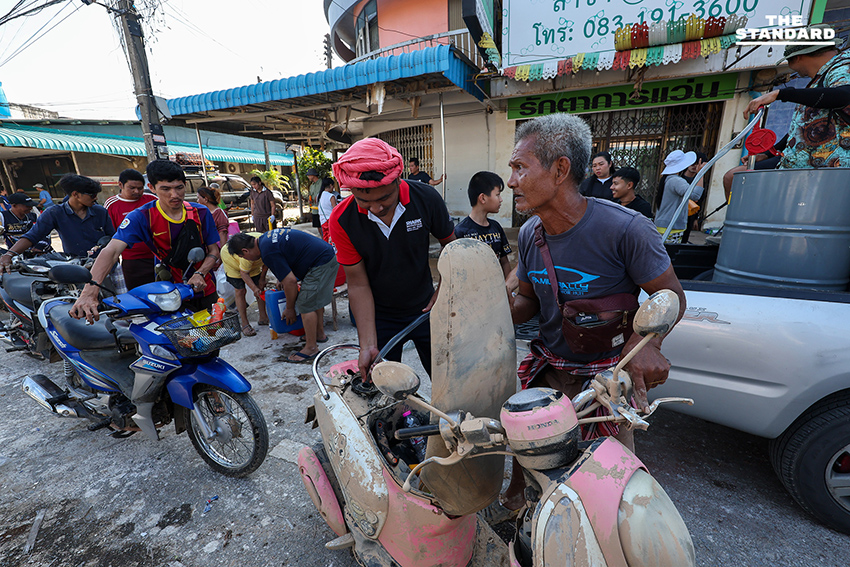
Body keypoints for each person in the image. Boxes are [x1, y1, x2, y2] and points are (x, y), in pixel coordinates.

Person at [502, 113, 686, 518]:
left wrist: (648, 344)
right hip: (550, 368)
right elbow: (529, 303)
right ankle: (523, 513)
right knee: (532, 464)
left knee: (615, 491)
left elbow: (671, 296)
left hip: (607, 380)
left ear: (560, 169)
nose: (511, 181)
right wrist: (486, 311)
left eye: (519, 168)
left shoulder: (626, 229)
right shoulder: (531, 235)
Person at [330, 138, 455, 379]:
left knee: (446, 379)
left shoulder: (426, 198)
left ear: (398, 180)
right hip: (379, 315)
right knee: (384, 386)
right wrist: (367, 344)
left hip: (427, 307)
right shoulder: (341, 219)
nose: (375, 208)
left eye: (384, 198)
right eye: (364, 201)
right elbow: (357, 283)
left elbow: (452, 247)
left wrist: (445, 287)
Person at [69, 160, 221, 322]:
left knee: (210, 338)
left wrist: (200, 273)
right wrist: (88, 293)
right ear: (153, 188)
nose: (174, 195)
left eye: (179, 188)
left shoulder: (201, 212)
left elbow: (213, 251)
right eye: (166, 189)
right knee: (177, 341)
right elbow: (111, 251)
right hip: (167, 293)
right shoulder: (141, 216)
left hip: (205, 289)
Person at [723, 25, 850, 196]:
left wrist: (781, 93)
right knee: (733, 178)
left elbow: (843, 95)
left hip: (828, 170)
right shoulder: (820, 77)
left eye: (790, 60)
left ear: (798, 57)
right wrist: (768, 152)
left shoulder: (842, 67)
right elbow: (804, 128)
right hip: (801, 164)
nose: (791, 67)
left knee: (736, 179)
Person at [228, 229, 337, 362]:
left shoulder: (268, 251)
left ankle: (311, 348)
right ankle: (319, 334)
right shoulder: (264, 240)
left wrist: (290, 308)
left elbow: (290, 282)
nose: (245, 259)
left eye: (242, 256)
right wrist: (282, 277)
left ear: (245, 251)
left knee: (305, 303)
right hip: (323, 255)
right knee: (311, 298)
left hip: (321, 262)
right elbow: (286, 255)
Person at [0, 174, 114, 272]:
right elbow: (33, 235)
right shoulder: (55, 213)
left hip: (106, 266)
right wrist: (9, 254)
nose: (96, 198)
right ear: (76, 194)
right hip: (77, 269)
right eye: (92, 195)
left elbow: (113, 238)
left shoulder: (100, 212)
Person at [104, 168, 158, 290]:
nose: (137, 191)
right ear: (120, 185)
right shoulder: (111, 204)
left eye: (140, 188)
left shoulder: (152, 199)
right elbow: (111, 233)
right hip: (132, 261)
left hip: (157, 256)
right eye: (132, 188)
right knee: (137, 293)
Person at [453, 171, 512, 279]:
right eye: (498, 195)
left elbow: (505, 263)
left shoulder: (496, 227)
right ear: (483, 198)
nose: (501, 199)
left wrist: (507, 289)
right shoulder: (460, 232)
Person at [221, 232, 268, 336]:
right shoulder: (245, 257)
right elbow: (244, 273)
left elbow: (267, 261)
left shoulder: (265, 243)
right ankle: (245, 324)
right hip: (232, 263)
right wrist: (254, 289)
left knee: (261, 286)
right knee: (240, 291)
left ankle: (263, 317)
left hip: (253, 262)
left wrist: (262, 278)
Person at [653, 150, 703, 244]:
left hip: (664, 226)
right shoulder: (676, 181)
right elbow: (695, 195)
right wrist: (701, 174)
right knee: (669, 255)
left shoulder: (667, 179)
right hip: (671, 227)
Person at [680, 151, 708, 243]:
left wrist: (695, 218)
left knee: (684, 239)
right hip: (678, 213)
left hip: (690, 215)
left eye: (697, 164)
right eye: (693, 163)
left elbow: (699, 199)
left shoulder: (699, 182)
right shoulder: (678, 180)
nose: (694, 166)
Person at [317, 177, 338, 242]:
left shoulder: (319, 195)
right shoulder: (331, 196)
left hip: (322, 221)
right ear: (331, 185)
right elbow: (335, 210)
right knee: (332, 240)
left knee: (325, 239)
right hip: (330, 221)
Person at [306, 168, 323, 234]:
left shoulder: (322, 183)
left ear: (313, 175)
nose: (308, 177)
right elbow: (310, 195)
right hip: (315, 209)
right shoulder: (311, 186)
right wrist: (309, 200)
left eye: (308, 175)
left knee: (324, 225)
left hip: (322, 208)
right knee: (318, 226)